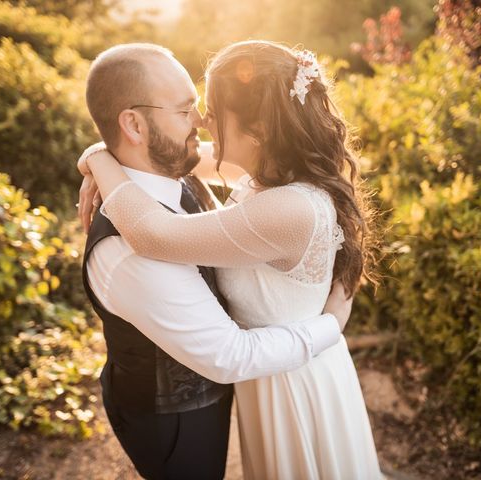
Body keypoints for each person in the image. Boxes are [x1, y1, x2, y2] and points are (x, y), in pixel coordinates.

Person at [79, 43, 355, 480]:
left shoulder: (288, 206)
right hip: (247, 384)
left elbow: (156, 232)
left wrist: (97, 159)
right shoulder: (272, 165)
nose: (201, 123)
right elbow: (163, 161)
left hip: (294, 383)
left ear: (259, 130)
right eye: (187, 109)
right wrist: (100, 155)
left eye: (206, 110)